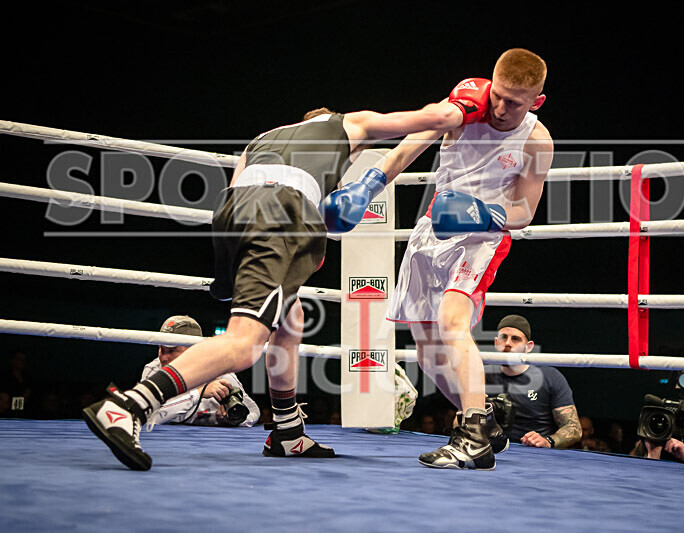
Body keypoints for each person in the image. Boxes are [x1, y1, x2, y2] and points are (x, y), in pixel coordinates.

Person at [82, 95, 471, 470]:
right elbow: (433, 119)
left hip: (236, 213)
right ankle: (129, 406)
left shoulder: (264, 138)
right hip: (280, 214)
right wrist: (466, 107)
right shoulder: (349, 124)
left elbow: (231, 200)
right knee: (243, 343)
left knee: (291, 318)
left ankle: (288, 431)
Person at [336, 48, 553, 469]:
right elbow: (406, 150)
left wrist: (484, 213)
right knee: (429, 356)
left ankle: (473, 439)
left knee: (453, 322)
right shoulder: (461, 108)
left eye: (514, 103)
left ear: (536, 101)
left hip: (483, 238)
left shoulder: (537, 140)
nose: (500, 108)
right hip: (432, 230)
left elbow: (525, 211)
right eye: (498, 96)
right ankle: (486, 419)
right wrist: (367, 186)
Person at [484, 315, 582, 450]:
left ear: (529, 347)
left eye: (515, 339)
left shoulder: (550, 377)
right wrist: (475, 408)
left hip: (535, 454)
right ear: (496, 342)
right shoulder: (481, 375)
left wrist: (548, 441)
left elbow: (574, 428)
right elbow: (458, 423)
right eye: (503, 337)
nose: (507, 343)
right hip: (492, 451)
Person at [142, 316, 259, 427]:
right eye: (161, 349)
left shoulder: (219, 372)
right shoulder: (154, 369)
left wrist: (229, 420)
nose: (163, 358)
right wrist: (199, 393)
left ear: (193, 350)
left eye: (171, 351)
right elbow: (149, 417)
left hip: (205, 438)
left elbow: (253, 411)